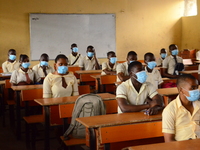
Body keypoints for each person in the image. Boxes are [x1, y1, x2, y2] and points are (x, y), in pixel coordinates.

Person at [162, 74, 200, 142]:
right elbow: (169, 141)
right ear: (181, 90)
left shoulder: (198, 104)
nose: (197, 90)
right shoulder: (170, 110)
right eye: (193, 88)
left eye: (197, 87)